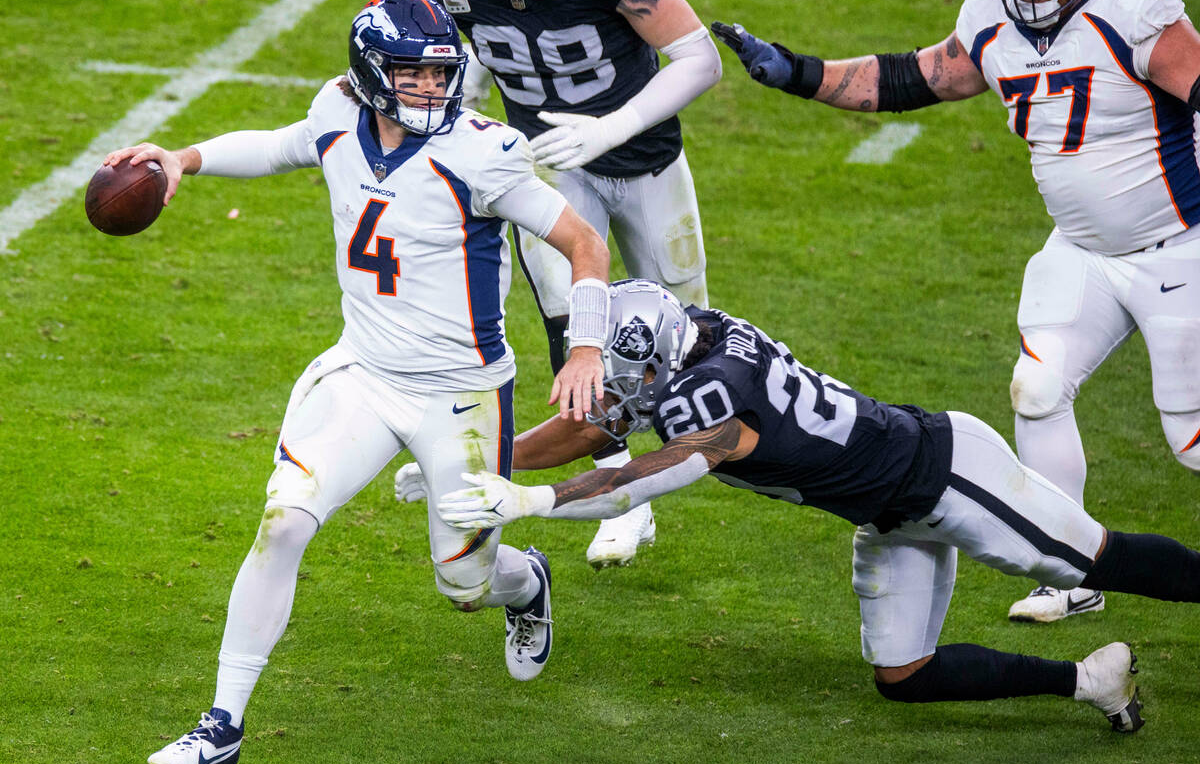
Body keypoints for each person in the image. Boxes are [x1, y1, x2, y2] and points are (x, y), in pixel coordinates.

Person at [115, 0, 610, 764]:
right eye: (411, 75)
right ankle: (222, 721)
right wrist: (183, 158)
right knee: (283, 522)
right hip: (365, 374)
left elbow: (583, 240)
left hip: (462, 394)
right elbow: (279, 145)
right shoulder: (337, 115)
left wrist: (585, 346)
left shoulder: (482, 152)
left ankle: (526, 582)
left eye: (438, 73)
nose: (430, 88)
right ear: (372, 75)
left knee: (465, 583)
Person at [711, 0, 1200, 623]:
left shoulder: (1135, 8)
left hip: (1176, 247)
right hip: (1081, 251)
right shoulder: (991, 14)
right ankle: (1070, 570)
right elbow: (913, 79)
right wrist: (797, 72)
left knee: (1190, 438)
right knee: (1036, 390)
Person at [436, 279, 1200, 734]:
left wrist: (535, 498)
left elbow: (646, 475)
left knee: (1096, 557)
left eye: (620, 372)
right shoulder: (695, 338)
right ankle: (1092, 682)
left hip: (944, 472)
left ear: (659, 357)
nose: (608, 387)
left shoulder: (710, 392)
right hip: (888, 510)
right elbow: (593, 422)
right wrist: (479, 456)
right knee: (904, 673)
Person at [393, 0, 721, 568]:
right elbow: (408, 40)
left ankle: (701, 455)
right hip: (542, 164)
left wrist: (612, 127)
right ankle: (619, 488)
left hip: (644, 159)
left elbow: (699, 57)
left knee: (688, 338)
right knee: (584, 336)